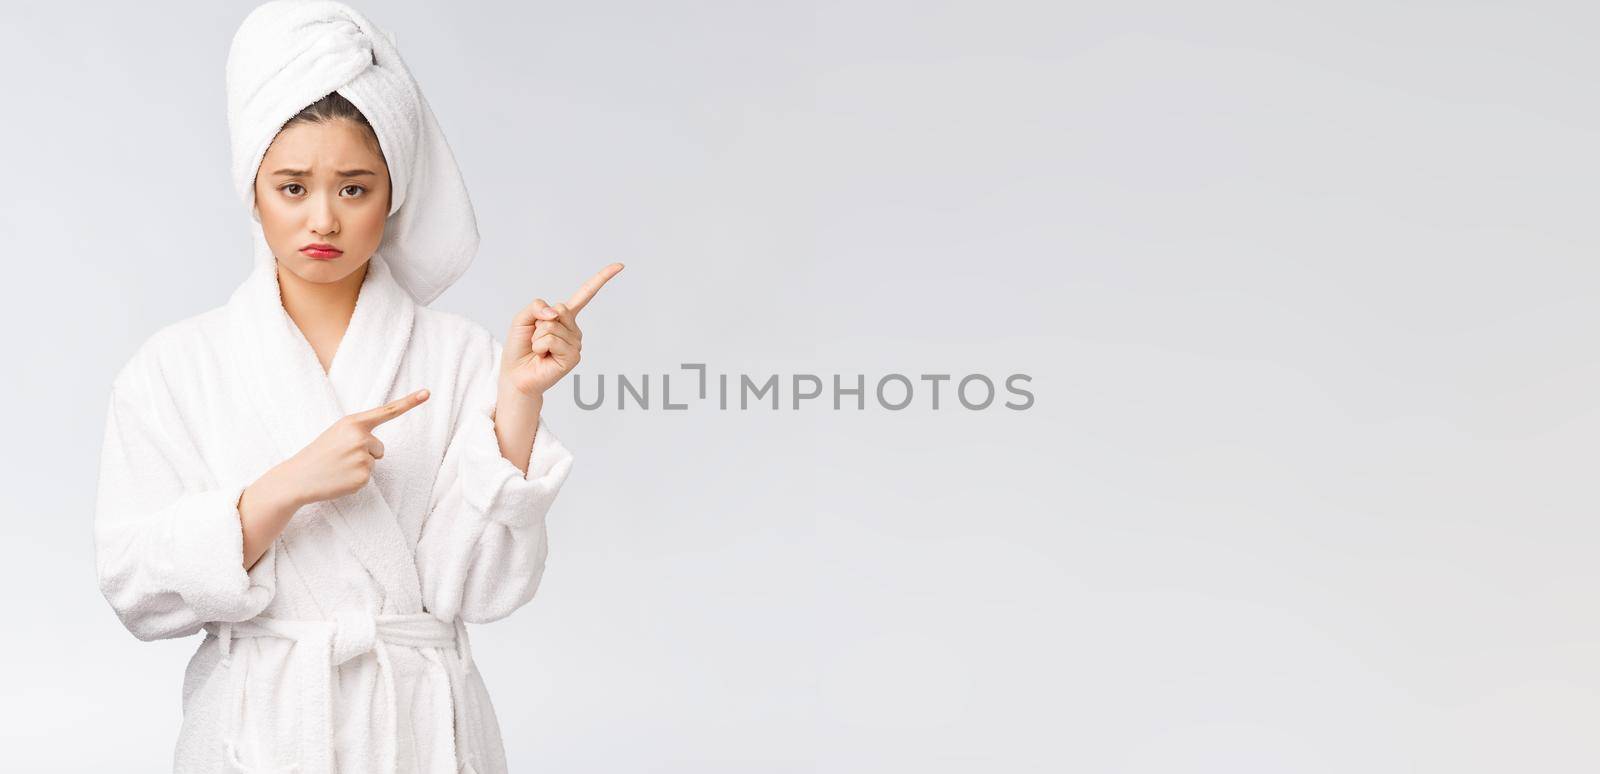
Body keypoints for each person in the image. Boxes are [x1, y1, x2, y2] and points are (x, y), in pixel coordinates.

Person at [91, 2, 621, 771]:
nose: (323, 219)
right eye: (293, 186)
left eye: (354, 188)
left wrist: (519, 399)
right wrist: (276, 493)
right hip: (258, 734)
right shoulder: (174, 369)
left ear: (393, 194)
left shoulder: (459, 356)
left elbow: (475, 590)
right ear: (253, 189)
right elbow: (134, 587)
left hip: (420, 734)